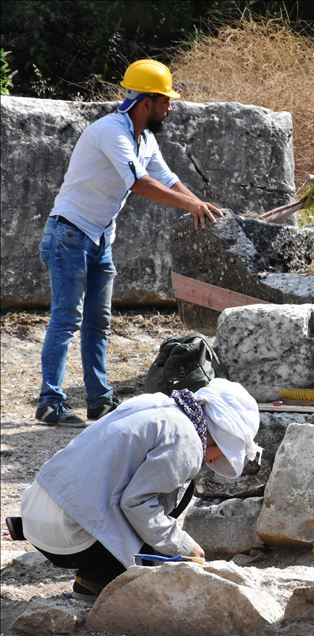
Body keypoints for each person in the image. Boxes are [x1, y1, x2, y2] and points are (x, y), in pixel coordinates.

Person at [36, 59, 223, 426]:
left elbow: (167, 179)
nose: (169, 107)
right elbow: (137, 182)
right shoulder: (112, 131)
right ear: (146, 101)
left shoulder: (145, 138)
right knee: (66, 319)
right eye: (165, 100)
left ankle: (99, 401)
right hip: (70, 234)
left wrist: (200, 206)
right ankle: (49, 402)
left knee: (98, 322)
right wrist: (191, 204)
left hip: (99, 237)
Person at [16, 378, 261, 601]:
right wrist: (181, 546)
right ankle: (103, 577)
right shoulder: (186, 442)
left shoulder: (155, 403)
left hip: (36, 516)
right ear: (220, 435)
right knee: (181, 492)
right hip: (70, 536)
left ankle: (93, 577)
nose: (213, 461)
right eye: (222, 452)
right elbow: (137, 503)